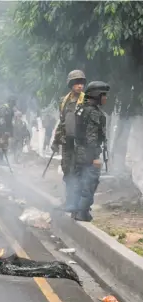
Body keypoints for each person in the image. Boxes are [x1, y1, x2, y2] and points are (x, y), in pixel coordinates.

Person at [73, 81, 109, 221]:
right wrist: (95, 157)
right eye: (103, 95)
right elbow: (91, 136)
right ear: (96, 95)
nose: (105, 98)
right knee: (89, 183)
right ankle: (83, 213)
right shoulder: (94, 112)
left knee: (79, 182)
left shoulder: (81, 108)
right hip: (88, 154)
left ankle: (76, 210)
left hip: (79, 152)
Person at [51, 69, 87, 213]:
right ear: (71, 84)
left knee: (79, 173)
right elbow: (62, 123)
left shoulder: (87, 101)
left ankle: (77, 204)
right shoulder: (64, 101)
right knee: (68, 171)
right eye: (76, 83)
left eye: (81, 83)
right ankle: (69, 201)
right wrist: (55, 141)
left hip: (81, 144)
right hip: (67, 143)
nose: (80, 86)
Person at [0, 96, 17, 165]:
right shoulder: (4, 109)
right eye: (13, 104)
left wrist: (11, 133)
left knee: (5, 145)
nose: (13, 105)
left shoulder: (10, 110)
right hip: (1, 130)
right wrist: (4, 131)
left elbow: (10, 123)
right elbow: (2, 120)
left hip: (6, 131)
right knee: (1, 144)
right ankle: (0, 159)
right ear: (9, 102)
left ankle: (2, 159)